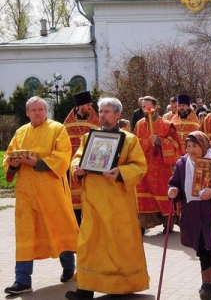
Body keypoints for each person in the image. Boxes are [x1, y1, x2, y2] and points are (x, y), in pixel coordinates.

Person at [66, 97, 149, 300]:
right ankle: (85, 289)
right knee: (89, 244)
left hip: (118, 204)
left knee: (116, 245)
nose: (102, 115)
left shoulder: (130, 139)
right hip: (93, 201)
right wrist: (76, 167)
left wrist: (120, 172)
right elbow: (77, 157)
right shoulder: (88, 137)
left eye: (107, 112)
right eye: (101, 111)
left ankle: (119, 287)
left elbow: (140, 167)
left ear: (118, 114)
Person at [3, 96, 78, 295]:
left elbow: (62, 156)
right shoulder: (20, 132)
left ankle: (69, 269)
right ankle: (22, 280)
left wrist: (35, 162)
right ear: (27, 113)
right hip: (26, 193)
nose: (37, 113)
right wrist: (13, 164)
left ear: (46, 111)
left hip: (51, 192)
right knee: (25, 234)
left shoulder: (57, 129)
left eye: (40, 110)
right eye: (33, 110)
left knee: (59, 228)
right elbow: (9, 155)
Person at [168, 131, 211, 300]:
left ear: (203, 146)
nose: (191, 150)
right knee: (201, 248)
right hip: (192, 216)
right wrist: (173, 190)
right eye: (188, 146)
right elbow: (175, 182)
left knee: (209, 248)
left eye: (195, 146)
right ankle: (210, 278)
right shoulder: (182, 163)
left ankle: (206, 285)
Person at [134, 96, 181, 232]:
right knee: (143, 193)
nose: (146, 109)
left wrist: (160, 141)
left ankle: (168, 223)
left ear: (156, 106)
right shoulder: (139, 124)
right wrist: (146, 141)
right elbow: (134, 142)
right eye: (143, 107)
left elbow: (175, 143)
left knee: (162, 193)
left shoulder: (166, 124)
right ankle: (144, 223)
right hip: (144, 165)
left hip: (161, 167)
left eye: (149, 106)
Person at [63, 91, 100, 225]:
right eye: (87, 105)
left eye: (90, 104)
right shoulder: (68, 123)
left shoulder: (95, 121)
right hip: (72, 164)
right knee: (73, 200)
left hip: (91, 164)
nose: (90, 107)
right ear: (79, 105)